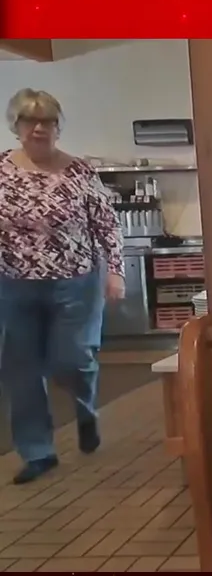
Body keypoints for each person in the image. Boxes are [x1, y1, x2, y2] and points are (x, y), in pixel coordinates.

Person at [0, 88, 125, 484]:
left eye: (47, 121)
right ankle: (38, 452)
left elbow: (106, 225)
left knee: (72, 359)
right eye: (30, 120)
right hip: (14, 285)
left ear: (58, 127)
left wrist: (115, 271)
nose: (38, 128)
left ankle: (85, 411)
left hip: (76, 282)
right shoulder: (1, 170)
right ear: (16, 126)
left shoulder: (79, 172)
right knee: (21, 370)